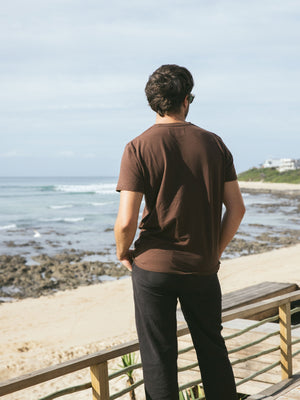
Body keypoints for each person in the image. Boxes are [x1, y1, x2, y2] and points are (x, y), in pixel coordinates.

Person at [114, 64, 245, 400]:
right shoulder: (214, 144)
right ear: (186, 99)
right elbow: (237, 208)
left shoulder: (138, 147)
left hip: (153, 267)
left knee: (158, 357)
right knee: (212, 349)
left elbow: (127, 221)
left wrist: (122, 251)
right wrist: (213, 252)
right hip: (201, 267)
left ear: (153, 102)